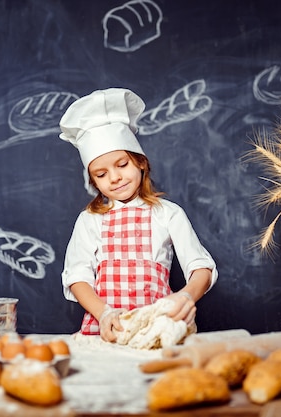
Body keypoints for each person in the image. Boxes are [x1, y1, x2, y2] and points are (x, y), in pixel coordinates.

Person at [59, 88, 218, 342]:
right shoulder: (90, 219)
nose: (115, 177)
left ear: (140, 162)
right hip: (105, 333)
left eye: (122, 165)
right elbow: (78, 277)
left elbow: (201, 267)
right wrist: (105, 313)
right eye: (101, 174)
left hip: (157, 331)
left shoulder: (168, 213)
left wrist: (186, 296)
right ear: (93, 182)